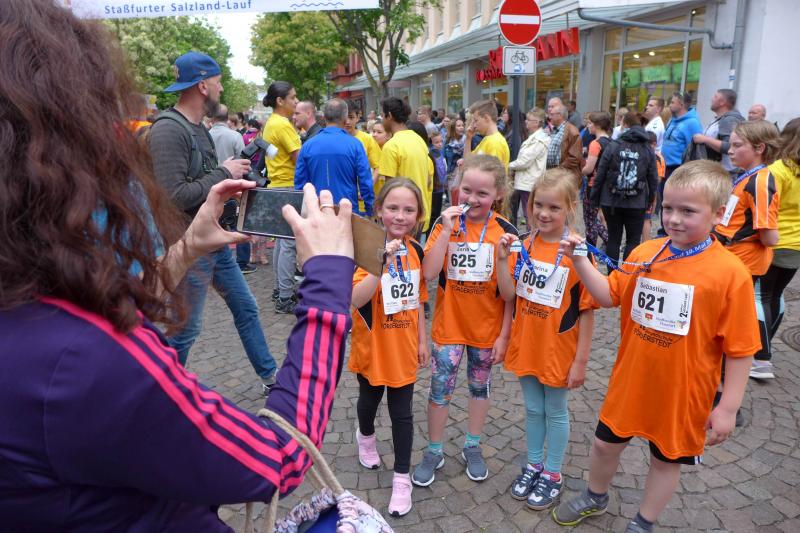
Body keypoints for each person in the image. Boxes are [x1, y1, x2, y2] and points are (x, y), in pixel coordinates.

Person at [0, 2, 356, 528]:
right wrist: (326, 283)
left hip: (199, 250)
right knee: (190, 331)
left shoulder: (34, 305)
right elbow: (278, 458)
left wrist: (189, 246)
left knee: (242, 311)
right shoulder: (86, 360)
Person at [554, 160, 760, 533]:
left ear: (718, 214)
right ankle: (595, 496)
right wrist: (580, 261)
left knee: (665, 461)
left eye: (688, 211)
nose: (674, 219)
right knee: (603, 445)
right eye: (668, 208)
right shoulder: (644, 253)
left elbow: (741, 348)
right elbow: (607, 295)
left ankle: (644, 521)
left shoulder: (731, 274)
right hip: (631, 380)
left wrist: (728, 407)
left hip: (683, 392)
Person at [148, 51, 277, 393]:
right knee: (185, 330)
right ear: (203, 86)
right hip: (188, 245)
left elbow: (203, 187)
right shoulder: (167, 130)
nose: (221, 89)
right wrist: (223, 172)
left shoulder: (198, 129)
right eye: (218, 82)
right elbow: (173, 196)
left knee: (247, 308)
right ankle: (162, 393)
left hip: (213, 240)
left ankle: (271, 378)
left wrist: (231, 186)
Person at [412, 154, 517, 487]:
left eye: (482, 193)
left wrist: (504, 336)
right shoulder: (445, 223)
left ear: (498, 194)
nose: (472, 198)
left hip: (486, 331)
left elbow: (510, 294)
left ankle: (472, 444)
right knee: (439, 390)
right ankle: (434, 449)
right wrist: (446, 230)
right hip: (450, 327)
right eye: (467, 190)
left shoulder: (506, 232)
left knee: (479, 389)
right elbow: (428, 273)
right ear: (457, 188)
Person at [496, 169, 595, 511]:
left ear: (570, 208)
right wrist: (501, 260)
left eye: (554, 207)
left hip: (559, 348)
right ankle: (534, 464)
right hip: (527, 342)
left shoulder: (576, 251)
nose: (543, 213)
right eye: (538, 204)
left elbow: (587, 311)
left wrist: (581, 361)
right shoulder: (523, 244)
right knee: (533, 408)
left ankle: (553, 473)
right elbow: (508, 295)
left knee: (555, 410)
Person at [349, 179, 429, 518]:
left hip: (404, 346)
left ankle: (401, 479)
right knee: (368, 401)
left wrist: (423, 340)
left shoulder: (417, 250)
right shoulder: (365, 247)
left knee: (402, 414)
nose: (400, 216)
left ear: (419, 215)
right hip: (372, 345)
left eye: (409, 210)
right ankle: (365, 436)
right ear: (379, 209)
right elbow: (356, 299)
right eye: (393, 208)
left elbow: (419, 299)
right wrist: (379, 264)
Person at [714, 120, 780, 379]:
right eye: (730, 144)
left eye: (737, 145)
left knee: (746, 309)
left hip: (745, 261)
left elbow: (769, 235)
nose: (730, 150)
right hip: (732, 257)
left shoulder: (761, 181)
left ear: (759, 148)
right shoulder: (748, 177)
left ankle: (759, 360)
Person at [591, 112, 659, 265]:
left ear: (625, 125)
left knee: (613, 239)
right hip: (637, 201)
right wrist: (650, 200)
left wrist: (595, 200)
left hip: (611, 200)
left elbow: (600, 173)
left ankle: (612, 273)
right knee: (633, 240)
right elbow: (653, 178)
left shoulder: (614, 145)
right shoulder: (647, 148)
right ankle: (627, 273)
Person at [761, 118, 800, 371]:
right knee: (776, 295)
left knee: (762, 296)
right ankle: (765, 349)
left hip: (775, 242)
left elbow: (767, 209)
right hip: (796, 245)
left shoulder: (778, 170)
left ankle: (760, 355)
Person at [262, 81, 302, 313]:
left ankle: (280, 290)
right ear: (280, 100)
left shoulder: (271, 122)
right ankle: (285, 297)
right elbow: (300, 158)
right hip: (288, 186)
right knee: (289, 243)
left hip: (277, 186)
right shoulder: (283, 125)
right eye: (293, 97)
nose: (296, 101)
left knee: (281, 241)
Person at [294, 99, 374, 217]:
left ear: (324, 117)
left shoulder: (307, 146)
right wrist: (369, 209)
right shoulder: (355, 145)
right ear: (345, 118)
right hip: (348, 212)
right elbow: (365, 181)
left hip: (317, 212)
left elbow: (300, 184)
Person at [209, 104, 256, 274]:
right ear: (227, 117)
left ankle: (215, 262)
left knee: (214, 223)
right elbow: (244, 162)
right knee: (239, 223)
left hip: (212, 186)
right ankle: (242, 262)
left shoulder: (206, 135)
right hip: (233, 187)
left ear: (212, 117)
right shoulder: (235, 136)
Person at [379, 97, 433, 232]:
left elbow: (389, 189)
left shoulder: (391, 146)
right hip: (420, 212)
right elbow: (428, 179)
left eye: (382, 115)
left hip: (401, 217)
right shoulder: (418, 139)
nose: (382, 120)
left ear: (389, 115)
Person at [508, 108, 549, 231]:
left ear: (536, 122)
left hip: (529, 183)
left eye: (528, 119)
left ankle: (532, 238)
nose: (525, 121)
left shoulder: (538, 140)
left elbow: (524, 162)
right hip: (528, 181)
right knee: (529, 214)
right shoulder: (536, 138)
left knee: (529, 215)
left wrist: (507, 165)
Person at [580, 111, 612, 248]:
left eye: (590, 123)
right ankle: (610, 242)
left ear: (597, 125)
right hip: (606, 186)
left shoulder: (595, 143)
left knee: (590, 219)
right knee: (598, 217)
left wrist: (578, 170)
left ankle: (592, 249)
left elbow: (589, 168)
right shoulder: (612, 142)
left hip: (593, 185)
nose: (588, 126)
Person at [692, 89, 745, 172]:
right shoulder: (719, 118)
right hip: (716, 170)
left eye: (715, 97)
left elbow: (730, 147)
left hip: (725, 173)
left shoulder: (729, 120)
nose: (712, 99)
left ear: (722, 102)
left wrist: (705, 139)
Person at [345, 100, 383, 199]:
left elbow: (378, 166)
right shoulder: (335, 139)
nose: (347, 121)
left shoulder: (367, 139)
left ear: (358, 117)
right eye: (345, 117)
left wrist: (367, 187)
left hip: (363, 199)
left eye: (351, 117)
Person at [662, 92, 703, 176]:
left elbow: (695, 150)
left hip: (678, 169)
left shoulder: (692, 123)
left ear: (681, 105)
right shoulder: (671, 119)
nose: (670, 105)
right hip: (665, 167)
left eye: (672, 102)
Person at [546, 97, 584, 183]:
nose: (549, 117)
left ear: (560, 115)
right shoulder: (554, 129)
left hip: (563, 176)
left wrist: (557, 170)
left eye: (552, 115)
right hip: (552, 174)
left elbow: (574, 158)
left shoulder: (572, 131)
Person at [465, 99, 510, 169]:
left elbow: (492, 174)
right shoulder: (488, 139)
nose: (474, 125)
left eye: (476, 120)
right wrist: (468, 138)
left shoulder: (495, 142)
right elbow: (468, 162)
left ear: (486, 118)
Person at [642, 131, 666, 241]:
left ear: (654, 144)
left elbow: (658, 179)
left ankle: (645, 244)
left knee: (646, 219)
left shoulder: (658, 158)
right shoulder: (643, 155)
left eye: (647, 144)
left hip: (649, 193)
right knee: (643, 220)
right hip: (641, 192)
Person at [445, 116, 467, 205]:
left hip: (464, 174)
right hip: (451, 174)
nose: (461, 127)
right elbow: (444, 160)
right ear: (453, 128)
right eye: (458, 126)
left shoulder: (468, 140)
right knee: (453, 199)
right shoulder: (447, 142)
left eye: (462, 125)